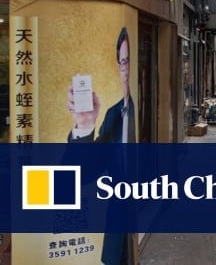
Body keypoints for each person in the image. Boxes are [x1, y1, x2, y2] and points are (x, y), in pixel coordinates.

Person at [65, 27, 134, 265]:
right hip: (120, 240)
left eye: (129, 63)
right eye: (122, 63)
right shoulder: (114, 115)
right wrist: (84, 125)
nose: (125, 71)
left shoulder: (143, 110)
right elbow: (79, 175)